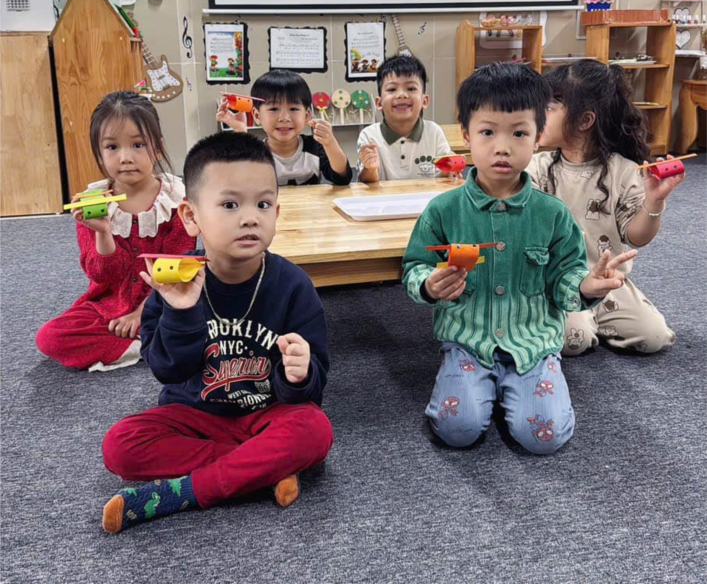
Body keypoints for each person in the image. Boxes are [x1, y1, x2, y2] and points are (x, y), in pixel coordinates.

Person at [101, 131, 333, 533]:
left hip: (266, 413)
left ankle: (186, 491)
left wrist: (299, 375)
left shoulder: (294, 285)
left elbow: (311, 391)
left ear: (277, 212)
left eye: (263, 204)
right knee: (120, 446)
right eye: (229, 204)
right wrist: (181, 312)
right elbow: (167, 371)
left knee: (314, 430)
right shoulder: (173, 281)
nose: (250, 217)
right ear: (191, 216)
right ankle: (260, 469)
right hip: (194, 415)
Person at [402, 62, 635, 455]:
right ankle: (477, 383)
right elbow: (414, 266)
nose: (502, 147)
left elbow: (565, 276)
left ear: (538, 137)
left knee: (544, 437)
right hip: (468, 341)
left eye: (519, 133)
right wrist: (428, 285)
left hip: (533, 343)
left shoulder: (552, 214)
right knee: (457, 430)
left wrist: (585, 285)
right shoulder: (443, 210)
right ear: (466, 135)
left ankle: (531, 382)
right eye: (487, 132)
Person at [528, 60, 679, 356]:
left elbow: (637, 237)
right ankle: (580, 318)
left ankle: (593, 316)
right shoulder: (536, 169)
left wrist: (654, 200)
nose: (535, 115)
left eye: (547, 108)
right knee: (574, 340)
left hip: (609, 281)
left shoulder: (624, 172)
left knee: (654, 337)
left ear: (585, 121)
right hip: (559, 282)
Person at [35, 91, 194, 372]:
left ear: (157, 148)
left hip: (166, 299)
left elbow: (177, 266)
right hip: (110, 305)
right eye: (112, 147)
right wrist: (103, 232)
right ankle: (143, 346)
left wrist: (142, 312)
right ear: (99, 153)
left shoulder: (175, 201)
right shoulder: (93, 203)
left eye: (138, 145)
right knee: (50, 338)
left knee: (207, 320)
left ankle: (148, 336)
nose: (125, 157)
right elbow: (102, 275)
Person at [217, 69, 352, 187]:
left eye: (293, 109)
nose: (284, 118)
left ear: (307, 116)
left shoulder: (315, 146)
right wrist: (240, 131)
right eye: (274, 109)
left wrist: (330, 142)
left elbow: (342, 178)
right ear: (257, 116)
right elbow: (239, 182)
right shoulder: (255, 151)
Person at [357, 55, 453, 183]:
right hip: (384, 197)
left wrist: (450, 169)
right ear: (379, 103)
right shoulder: (369, 136)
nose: (402, 94)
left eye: (411, 88)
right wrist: (370, 168)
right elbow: (366, 184)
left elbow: (445, 179)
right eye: (392, 89)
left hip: (427, 196)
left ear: (424, 101)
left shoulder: (434, 132)